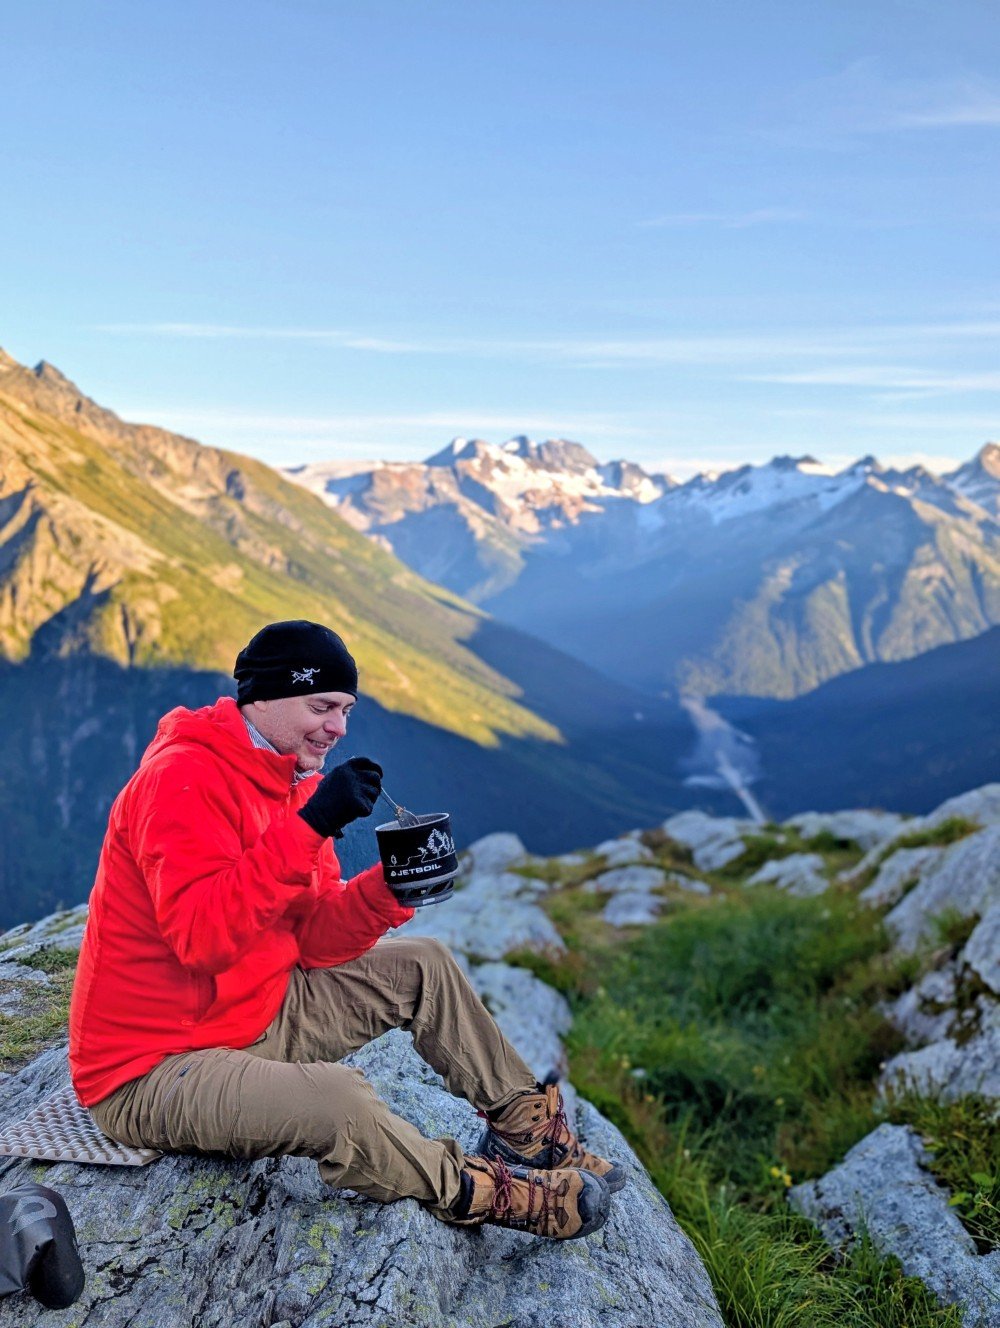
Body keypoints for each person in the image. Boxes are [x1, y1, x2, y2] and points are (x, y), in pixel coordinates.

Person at [69, 620, 624, 1241]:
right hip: (152, 1069)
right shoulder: (182, 780)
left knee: (424, 963)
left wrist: (389, 890)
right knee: (338, 1101)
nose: (339, 726)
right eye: (323, 706)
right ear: (265, 698)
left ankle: (529, 1135)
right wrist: (310, 826)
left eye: (346, 710)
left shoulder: (290, 780)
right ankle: (484, 1191)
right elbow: (201, 941)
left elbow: (310, 941)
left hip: (257, 1016)